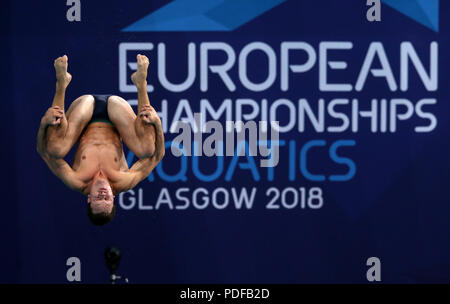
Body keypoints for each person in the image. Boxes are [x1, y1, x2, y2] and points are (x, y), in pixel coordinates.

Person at [36, 54, 165, 225]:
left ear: (89, 199)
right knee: (147, 149)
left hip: (84, 111)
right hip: (116, 112)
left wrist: (44, 123)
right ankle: (141, 83)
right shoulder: (124, 181)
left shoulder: (76, 180)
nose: (103, 195)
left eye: (99, 200)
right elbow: (157, 156)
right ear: (113, 199)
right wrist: (157, 123)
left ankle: (61, 84)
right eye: (107, 200)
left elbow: (43, 153)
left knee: (55, 149)